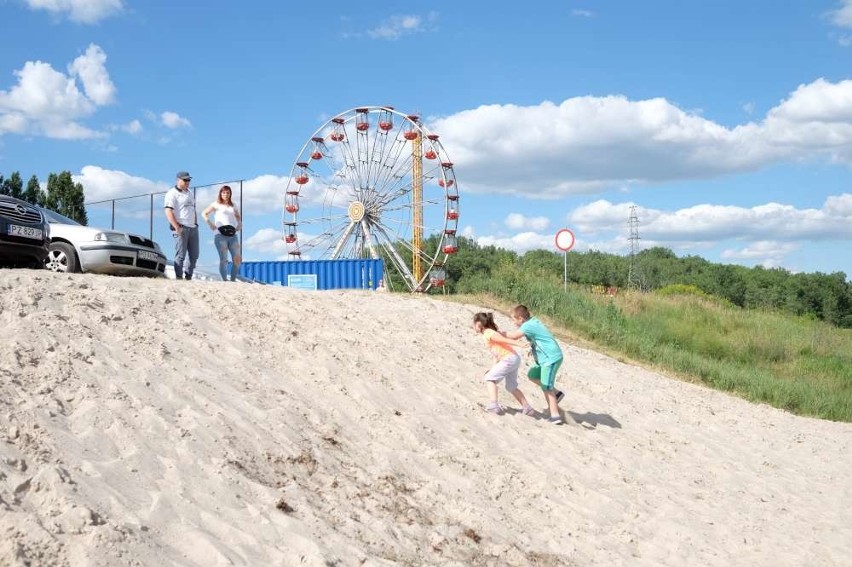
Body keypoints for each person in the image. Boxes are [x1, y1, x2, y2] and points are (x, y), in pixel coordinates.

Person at [504, 305, 566, 425]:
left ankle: (555, 416)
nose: (513, 322)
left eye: (514, 319)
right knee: (533, 375)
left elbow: (515, 336)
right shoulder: (532, 322)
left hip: (551, 358)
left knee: (546, 386)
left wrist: (500, 333)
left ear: (521, 318)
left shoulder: (528, 325)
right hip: (545, 359)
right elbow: (538, 338)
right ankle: (557, 393)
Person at [472, 312, 537, 417]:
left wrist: (519, 344)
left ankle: (494, 405)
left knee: (489, 379)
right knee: (511, 386)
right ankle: (527, 408)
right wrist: (492, 368)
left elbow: (504, 339)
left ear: (479, 324)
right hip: (513, 359)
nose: (472, 326)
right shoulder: (489, 333)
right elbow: (496, 355)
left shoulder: (488, 333)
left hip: (509, 359)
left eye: (473, 324)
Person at [201, 185, 242, 281]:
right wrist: (209, 223)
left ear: (230, 194)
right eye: (224, 193)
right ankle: (225, 281)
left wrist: (239, 224)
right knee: (224, 259)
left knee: (237, 259)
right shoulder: (216, 204)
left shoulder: (233, 205)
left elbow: (237, 216)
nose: (226, 194)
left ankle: (233, 280)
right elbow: (204, 213)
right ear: (220, 193)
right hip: (220, 235)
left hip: (233, 235)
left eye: (228, 193)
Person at [164, 171, 199, 280]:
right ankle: (179, 278)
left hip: (193, 228)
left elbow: (193, 209)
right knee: (180, 255)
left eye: (189, 180)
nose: (188, 182)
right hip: (181, 227)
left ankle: (188, 277)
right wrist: (176, 227)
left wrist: (196, 223)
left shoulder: (189, 193)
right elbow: (168, 211)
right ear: (178, 180)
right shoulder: (172, 193)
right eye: (185, 180)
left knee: (194, 255)